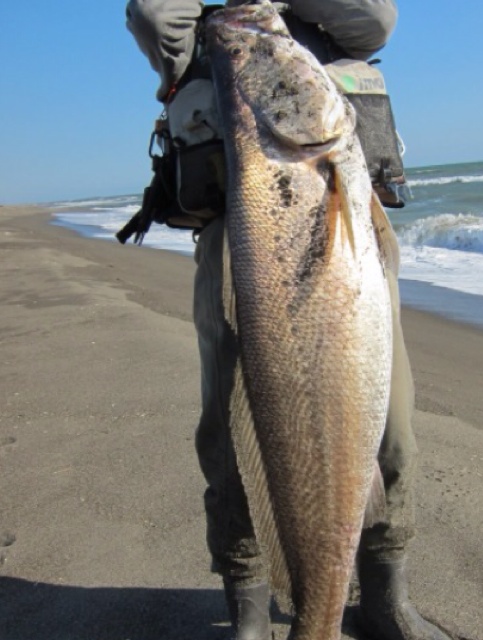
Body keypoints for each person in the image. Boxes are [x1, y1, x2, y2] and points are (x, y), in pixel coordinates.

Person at [125, 2, 452, 639]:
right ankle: (249, 603)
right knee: (231, 435)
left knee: (391, 429)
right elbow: (151, 13)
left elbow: (376, 21)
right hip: (244, 247)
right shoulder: (204, 35)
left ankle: (384, 595)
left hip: (347, 254)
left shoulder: (318, 23)